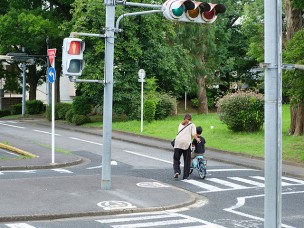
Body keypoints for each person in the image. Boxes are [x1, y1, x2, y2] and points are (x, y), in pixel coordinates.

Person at [173, 113, 200, 180]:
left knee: (176, 158)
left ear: (184, 118)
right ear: (190, 119)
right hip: (186, 143)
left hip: (178, 142)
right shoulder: (192, 125)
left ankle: (177, 171)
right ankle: (185, 176)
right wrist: (197, 139)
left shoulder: (180, 124)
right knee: (187, 160)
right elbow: (194, 134)